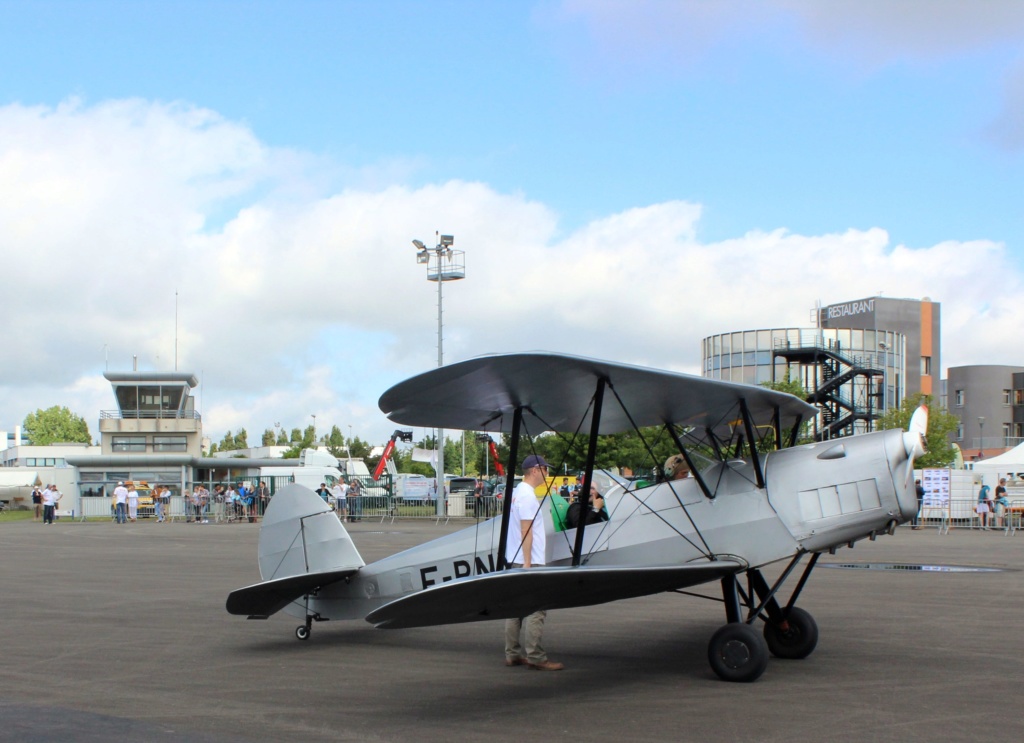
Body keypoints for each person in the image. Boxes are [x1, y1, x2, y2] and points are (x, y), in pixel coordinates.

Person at [504, 453, 563, 671]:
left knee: (515, 609)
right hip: (529, 561)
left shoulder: (518, 492)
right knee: (537, 609)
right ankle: (536, 657)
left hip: (514, 559)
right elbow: (525, 530)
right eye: (546, 469)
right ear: (536, 470)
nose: (548, 473)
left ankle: (512, 653)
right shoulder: (528, 496)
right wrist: (528, 563)